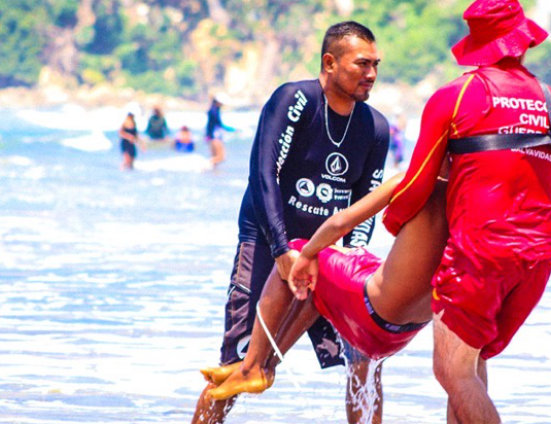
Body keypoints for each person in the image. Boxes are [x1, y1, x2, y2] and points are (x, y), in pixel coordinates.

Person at [191, 21, 390, 424]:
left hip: (331, 253)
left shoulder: (375, 127)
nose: (370, 74)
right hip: (269, 241)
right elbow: (263, 174)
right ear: (329, 62)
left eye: (375, 65)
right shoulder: (295, 99)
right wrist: (283, 251)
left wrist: (340, 256)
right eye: (361, 64)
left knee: (365, 357)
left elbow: (365, 206)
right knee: (239, 364)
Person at [380, 1, 551, 422]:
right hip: (537, 259)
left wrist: (396, 228)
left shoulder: (458, 94)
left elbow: (415, 183)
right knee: (472, 362)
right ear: (522, 41)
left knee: (452, 370)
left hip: (479, 255)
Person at [199, 171, 447, 407]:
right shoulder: (469, 200)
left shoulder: (414, 178)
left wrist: (307, 254)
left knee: (298, 255)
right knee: (322, 281)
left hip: (373, 313)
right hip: (404, 334)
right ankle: (267, 365)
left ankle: (252, 366)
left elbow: (340, 223)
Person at [205, 96, 236, 167]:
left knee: (215, 158)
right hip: (215, 137)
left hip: (211, 137)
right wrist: (231, 129)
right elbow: (219, 124)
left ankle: (213, 175)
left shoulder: (213, 110)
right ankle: (205, 165)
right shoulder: (214, 112)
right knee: (221, 157)